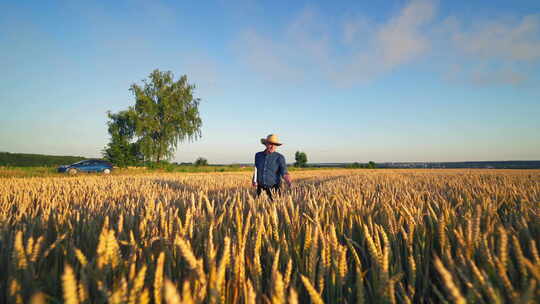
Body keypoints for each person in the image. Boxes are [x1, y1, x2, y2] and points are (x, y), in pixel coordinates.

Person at [252, 134, 292, 201]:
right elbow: (256, 169)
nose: (273, 146)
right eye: (271, 144)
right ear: (266, 144)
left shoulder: (280, 157)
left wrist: (289, 182)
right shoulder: (258, 155)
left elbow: (284, 173)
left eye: (275, 145)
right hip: (260, 188)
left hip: (274, 189)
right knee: (260, 209)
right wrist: (254, 179)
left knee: (274, 208)